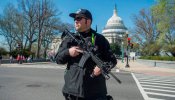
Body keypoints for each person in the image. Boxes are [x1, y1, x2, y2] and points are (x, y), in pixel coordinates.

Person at [55, 9, 117, 100]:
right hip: (72, 91)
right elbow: (58, 59)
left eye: (79, 18)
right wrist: (68, 52)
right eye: (75, 19)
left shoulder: (100, 39)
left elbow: (112, 60)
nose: (76, 21)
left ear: (88, 21)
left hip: (95, 92)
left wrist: (102, 67)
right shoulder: (69, 39)